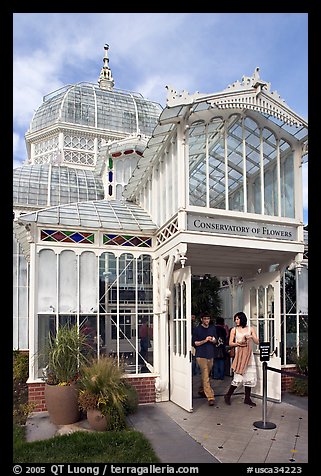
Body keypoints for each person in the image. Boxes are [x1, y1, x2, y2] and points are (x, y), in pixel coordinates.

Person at [224, 311, 259, 406]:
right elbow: (230, 343)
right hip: (239, 354)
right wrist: (238, 343)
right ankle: (228, 395)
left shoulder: (250, 329)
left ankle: (247, 398)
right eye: (235, 319)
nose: (236, 321)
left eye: (237, 319)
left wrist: (251, 336)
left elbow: (257, 342)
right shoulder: (234, 330)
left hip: (249, 355)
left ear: (242, 319)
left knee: (249, 377)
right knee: (238, 377)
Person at [192, 313, 217, 406]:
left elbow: (216, 340)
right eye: (205, 319)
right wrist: (205, 340)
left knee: (206, 374)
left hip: (210, 355)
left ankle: (202, 389)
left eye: (208, 319)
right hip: (201, 355)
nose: (207, 321)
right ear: (202, 319)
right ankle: (210, 397)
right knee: (205, 374)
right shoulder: (197, 330)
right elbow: (195, 343)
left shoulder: (212, 328)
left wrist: (212, 340)